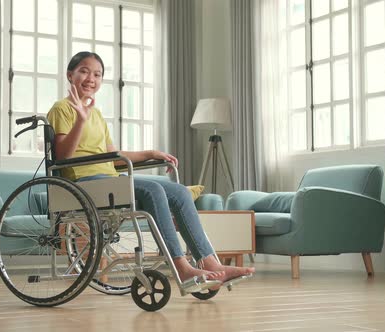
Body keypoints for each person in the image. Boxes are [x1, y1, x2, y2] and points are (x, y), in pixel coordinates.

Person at [47, 51, 254, 287]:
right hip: (83, 184)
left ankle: (210, 263)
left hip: (107, 180)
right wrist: (80, 120)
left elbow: (114, 157)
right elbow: (63, 156)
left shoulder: (96, 114)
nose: (91, 78)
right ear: (69, 75)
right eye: (84, 71)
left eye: (97, 74)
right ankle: (181, 267)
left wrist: (150, 153)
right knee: (154, 189)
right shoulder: (61, 108)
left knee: (179, 192)